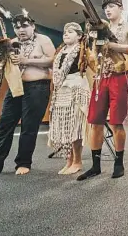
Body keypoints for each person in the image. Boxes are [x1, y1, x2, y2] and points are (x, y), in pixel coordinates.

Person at [77, 0, 128, 181]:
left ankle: (118, 162)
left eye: (112, 6)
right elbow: (93, 51)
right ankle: (95, 166)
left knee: (116, 122)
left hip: (120, 76)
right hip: (101, 76)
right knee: (95, 121)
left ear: (120, 7)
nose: (108, 10)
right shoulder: (99, 28)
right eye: (106, 8)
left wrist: (111, 45)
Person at [0, 12, 55, 176]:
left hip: (38, 87)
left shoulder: (43, 40)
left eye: (24, 26)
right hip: (16, 87)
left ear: (33, 26)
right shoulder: (12, 43)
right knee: (4, 126)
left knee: (29, 126)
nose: (21, 30)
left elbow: (53, 60)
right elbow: (5, 66)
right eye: (17, 27)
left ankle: (23, 162)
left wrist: (27, 61)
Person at [48, 22, 90, 175]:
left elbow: (95, 66)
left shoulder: (83, 51)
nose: (65, 34)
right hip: (61, 90)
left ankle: (77, 161)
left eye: (70, 31)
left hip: (76, 89)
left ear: (79, 36)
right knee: (63, 127)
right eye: (64, 32)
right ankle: (69, 160)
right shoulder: (59, 52)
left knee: (75, 127)